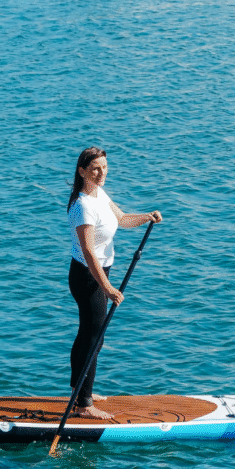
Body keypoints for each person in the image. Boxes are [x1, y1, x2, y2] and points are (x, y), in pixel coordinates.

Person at [65, 147, 163, 419]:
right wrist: (107, 288)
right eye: (95, 168)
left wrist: (147, 217)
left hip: (97, 274)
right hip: (88, 276)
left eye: (104, 167)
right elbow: (88, 252)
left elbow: (121, 219)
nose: (101, 172)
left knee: (89, 334)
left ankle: (78, 388)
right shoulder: (83, 205)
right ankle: (84, 405)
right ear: (82, 170)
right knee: (94, 336)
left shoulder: (99, 194)